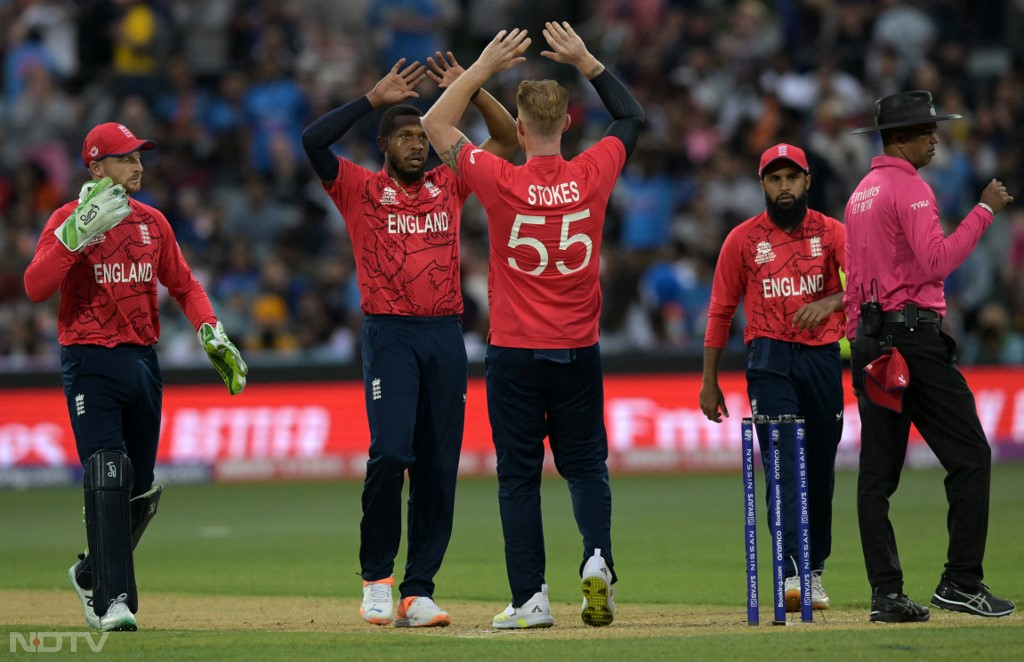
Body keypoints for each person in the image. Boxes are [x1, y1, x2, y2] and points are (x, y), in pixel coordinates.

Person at [421, 22, 643, 628]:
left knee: (518, 478)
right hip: (579, 348)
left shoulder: (499, 179)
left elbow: (435, 127)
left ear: (519, 130)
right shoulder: (594, 172)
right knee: (587, 467)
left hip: (516, 351)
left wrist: (482, 69)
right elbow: (631, 119)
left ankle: (530, 599)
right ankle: (597, 560)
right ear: (568, 123)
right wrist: (589, 61)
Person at [301, 55, 518, 628]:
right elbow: (313, 140)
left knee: (439, 465)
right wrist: (370, 100)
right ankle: (377, 577)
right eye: (405, 138)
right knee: (392, 452)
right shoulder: (359, 190)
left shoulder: (450, 182)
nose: (418, 146)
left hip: (445, 334)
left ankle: (417, 590)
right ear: (384, 146)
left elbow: (505, 139)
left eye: (423, 137)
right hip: (390, 334)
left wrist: (468, 89)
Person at [23, 122, 248, 632]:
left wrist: (210, 328)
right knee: (108, 470)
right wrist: (74, 235)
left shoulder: (153, 222)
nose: (139, 166)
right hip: (88, 360)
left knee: (140, 491)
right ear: (96, 167)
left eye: (141, 157)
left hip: (142, 361)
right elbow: (35, 286)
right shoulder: (66, 219)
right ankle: (112, 601)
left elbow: (185, 286)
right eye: (126, 158)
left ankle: (89, 572)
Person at [845, 90, 1016, 622]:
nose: (935, 137)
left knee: (877, 476)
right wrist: (985, 210)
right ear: (899, 139)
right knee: (971, 456)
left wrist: (861, 342)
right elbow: (938, 262)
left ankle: (886, 594)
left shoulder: (859, 194)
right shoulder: (912, 189)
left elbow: (853, 289)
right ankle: (961, 581)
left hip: (871, 344)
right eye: (925, 131)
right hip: (914, 341)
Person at [699, 143, 846, 614]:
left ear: (808, 181)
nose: (785, 186)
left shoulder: (832, 232)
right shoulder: (742, 240)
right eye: (775, 179)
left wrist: (830, 301)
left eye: (792, 178)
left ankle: (814, 571)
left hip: (822, 357)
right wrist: (709, 381)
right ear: (762, 184)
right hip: (768, 360)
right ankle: (789, 574)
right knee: (783, 470)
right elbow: (721, 310)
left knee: (820, 467)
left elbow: (867, 282)